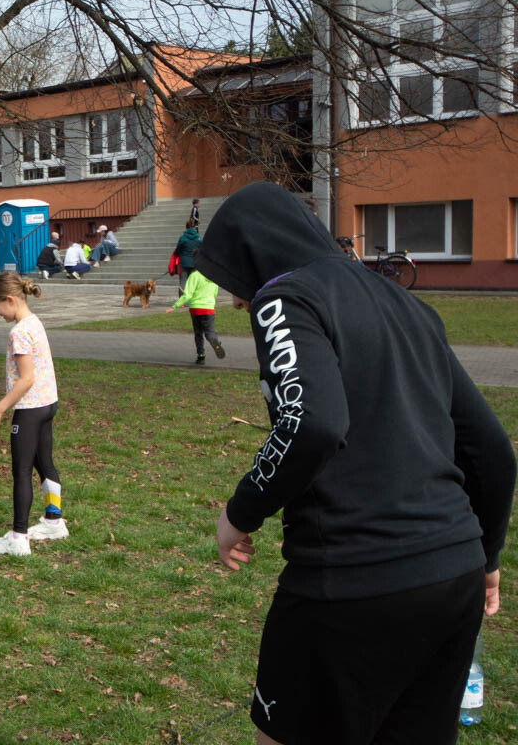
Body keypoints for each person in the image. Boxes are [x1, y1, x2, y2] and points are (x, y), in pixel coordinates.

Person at [197, 182, 515, 745]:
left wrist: (239, 513)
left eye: (234, 281)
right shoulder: (409, 304)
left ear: (253, 254)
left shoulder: (285, 298)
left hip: (351, 584)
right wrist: (486, 556)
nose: (238, 298)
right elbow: (491, 449)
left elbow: (310, 424)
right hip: (454, 578)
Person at [0, 272, 66, 556]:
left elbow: (26, 378)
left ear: (10, 300)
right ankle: (54, 521)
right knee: (45, 464)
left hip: (30, 410)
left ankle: (18, 538)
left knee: (21, 473)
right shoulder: (34, 322)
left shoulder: (19, 332)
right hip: (47, 405)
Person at [163, 268, 225, 365]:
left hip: (196, 309)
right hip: (208, 308)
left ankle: (201, 356)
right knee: (210, 332)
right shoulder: (213, 276)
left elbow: (187, 295)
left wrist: (174, 306)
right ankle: (214, 340)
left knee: (198, 333)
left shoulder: (195, 275)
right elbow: (215, 293)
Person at [174, 219, 201, 295]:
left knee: (183, 281)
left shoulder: (182, 238)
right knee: (192, 282)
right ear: (194, 227)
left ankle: (181, 302)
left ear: (186, 227)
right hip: (194, 263)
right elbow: (202, 250)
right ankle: (192, 298)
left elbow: (177, 251)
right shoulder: (198, 238)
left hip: (184, 262)